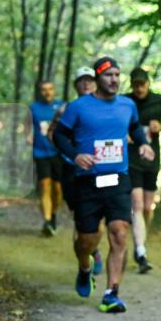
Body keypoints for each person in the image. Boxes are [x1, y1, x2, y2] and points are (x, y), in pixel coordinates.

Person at [53, 56, 154, 313]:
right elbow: (59, 134)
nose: (115, 80)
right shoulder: (79, 107)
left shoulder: (127, 105)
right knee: (87, 240)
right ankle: (85, 267)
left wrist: (142, 143)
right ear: (98, 78)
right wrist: (75, 155)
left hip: (118, 179)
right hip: (87, 181)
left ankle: (111, 293)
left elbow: (134, 127)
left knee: (119, 232)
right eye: (109, 75)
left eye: (118, 75)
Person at [123, 66, 161, 273]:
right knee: (137, 205)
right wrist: (125, 135)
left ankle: (141, 239)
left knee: (147, 208)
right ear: (132, 85)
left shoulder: (159, 100)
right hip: (131, 160)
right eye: (136, 85)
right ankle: (140, 251)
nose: (139, 88)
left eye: (142, 84)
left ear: (148, 84)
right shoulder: (124, 102)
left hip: (151, 159)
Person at [51, 67, 103, 276]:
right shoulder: (66, 109)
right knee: (80, 217)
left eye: (89, 80)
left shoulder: (106, 107)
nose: (86, 84)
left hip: (99, 171)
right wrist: (72, 153)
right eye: (81, 81)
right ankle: (84, 262)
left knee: (99, 217)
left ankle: (95, 250)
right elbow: (52, 135)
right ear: (75, 85)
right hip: (72, 171)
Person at [26, 80, 64, 236]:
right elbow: (27, 127)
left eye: (50, 89)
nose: (47, 92)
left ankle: (53, 214)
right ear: (39, 92)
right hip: (40, 152)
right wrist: (28, 137)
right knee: (44, 185)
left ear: (54, 90)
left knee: (58, 189)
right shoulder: (33, 108)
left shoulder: (62, 107)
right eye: (43, 90)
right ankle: (47, 221)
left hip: (59, 153)